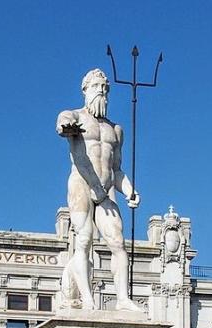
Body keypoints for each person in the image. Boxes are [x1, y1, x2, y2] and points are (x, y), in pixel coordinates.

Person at [57, 68, 141, 312]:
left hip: (105, 192)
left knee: (118, 243)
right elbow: (62, 124)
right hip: (81, 184)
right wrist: (66, 126)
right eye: (96, 86)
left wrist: (130, 190)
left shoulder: (116, 130)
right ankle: (87, 298)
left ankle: (123, 299)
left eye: (105, 88)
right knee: (84, 240)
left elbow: (117, 170)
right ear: (85, 90)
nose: (101, 91)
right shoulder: (74, 115)